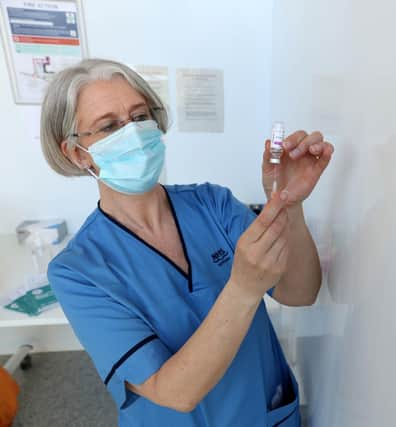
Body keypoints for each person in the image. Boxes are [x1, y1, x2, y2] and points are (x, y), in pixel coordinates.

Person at [41, 58, 334, 426]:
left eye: (139, 116)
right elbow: (175, 392)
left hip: (263, 413)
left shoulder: (213, 203)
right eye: (110, 126)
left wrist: (289, 203)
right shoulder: (78, 271)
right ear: (77, 152)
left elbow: (299, 292)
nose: (132, 133)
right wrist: (243, 288)